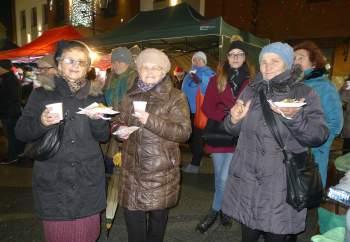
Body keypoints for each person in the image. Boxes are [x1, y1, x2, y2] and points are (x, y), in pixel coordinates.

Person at [221, 42, 329, 242]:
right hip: (248, 180)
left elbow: (319, 135)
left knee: (276, 234)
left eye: (274, 61)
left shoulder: (304, 93)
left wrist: (295, 118)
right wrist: (234, 120)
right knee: (248, 235)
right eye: (263, 61)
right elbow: (231, 129)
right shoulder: (251, 90)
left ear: (287, 64)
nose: (267, 66)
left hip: (280, 184)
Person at [15, 40, 109, 242]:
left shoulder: (96, 95)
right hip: (54, 180)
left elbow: (103, 136)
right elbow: (21, 132)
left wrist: (98, 120)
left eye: (82, 62)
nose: (76, 66)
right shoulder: (41, 94)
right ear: (58, 64)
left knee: (88, 236)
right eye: (70, 60)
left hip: (87, 179)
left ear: (88, 68)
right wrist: (41, 122)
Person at [112, 48, 191, 242]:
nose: (150, 71)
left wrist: (150, 120)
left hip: (160, 171)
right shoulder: (129, 95)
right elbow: (118, 120)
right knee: (133, 226)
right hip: (131, 170)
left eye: (156, 67)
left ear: (164, 71)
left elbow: (183, 133)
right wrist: (117, 129)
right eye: (145, 67)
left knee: (157, 224)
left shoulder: (176, 97)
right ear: (138, 69)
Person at [196, 40, 251, 233]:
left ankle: (216, 210)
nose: (235, 57)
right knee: (220, 176)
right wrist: (228, 115)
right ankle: (222, 210)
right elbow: (207, 106)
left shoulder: (251, 80)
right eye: (232, 54)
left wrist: (240, 117)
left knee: (226, 177)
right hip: (219, 134)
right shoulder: (216, 79)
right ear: (227, 57)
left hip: (240, 135)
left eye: (240, 54)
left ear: (245, 58)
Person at [294, 40, 343, 187]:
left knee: (307, 197)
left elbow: (336, 124)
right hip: (290, 154)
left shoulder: (324, 86)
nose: (295, 61)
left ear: (313, 63)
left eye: (300, 58)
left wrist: (317, 144)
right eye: (293, 58)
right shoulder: (292, 85)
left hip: (313, 155)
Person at [103, 47, 138, 173]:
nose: (116, 64)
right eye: (114, 61)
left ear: (128, 62)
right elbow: (104, 97)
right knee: (110, 163)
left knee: (123, 165)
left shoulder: (135, 78)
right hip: (109, 123)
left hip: (126, 126)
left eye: (121, 61)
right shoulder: (110, 77)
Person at [181, 51, 215, 173]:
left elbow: (211, 88)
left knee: (197, 138)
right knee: (189, 137)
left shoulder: (209, 73)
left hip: (201, 111)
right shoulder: (189, 74)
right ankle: (197, 158)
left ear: (204, 62)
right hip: (188, 110)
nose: (197, 62)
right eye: (195, 59)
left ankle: (195, 163)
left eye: (200, 59)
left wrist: (200, 81)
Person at [0, 59, 24, 164]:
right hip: (13, 111)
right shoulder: (10, 77)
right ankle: (18, 153)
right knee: (15, 134)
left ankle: (12, 157)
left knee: (11, 135)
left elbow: (7, 98)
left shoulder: (8, 79)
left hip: (9, 112)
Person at [340, 76, 350, 154]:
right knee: (346, 148)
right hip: (348, 123)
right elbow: (340, 99)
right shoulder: (347, 85)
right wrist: (342, 89)